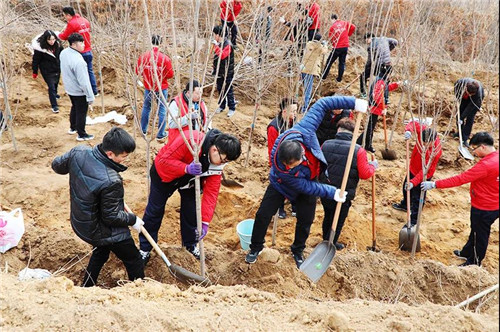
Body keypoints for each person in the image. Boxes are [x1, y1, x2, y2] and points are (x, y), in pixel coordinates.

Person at [245, 96, 366, 268]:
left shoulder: (305, 128)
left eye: (293, 165)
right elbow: (306, 186)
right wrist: (332, 192)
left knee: (306, 219)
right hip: (281, 184)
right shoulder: (282, 170)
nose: (290, 168)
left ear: (301, 154)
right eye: (287, 165)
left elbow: (324, 103)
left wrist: (353, 103)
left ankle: (297, 250)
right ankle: (255, 248)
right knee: (263, 214)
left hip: (310, 177)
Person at [51, 127, 145, 287]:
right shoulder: (111, 180)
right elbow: (112, 216)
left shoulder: (78, 152)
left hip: (83, 221)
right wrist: (132, 219)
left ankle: (87, 286)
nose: (125, 159)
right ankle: (140, 291)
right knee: (133, 258)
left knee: (101, 251)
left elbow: (57, 165)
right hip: (100, 228)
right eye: (123, 156)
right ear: (110, 154)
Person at [138, 129, 241, 263]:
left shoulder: (218, 164)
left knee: (192, 211)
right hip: (165, 175)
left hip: (190, 181)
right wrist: (185, 168)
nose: (223, 163)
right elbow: (163, 161)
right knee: (154, 211)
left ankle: (190, 246)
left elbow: (211, 193)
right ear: (215, 150)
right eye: (223, 160)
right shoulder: (190, 141)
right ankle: (145, 249)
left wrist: (205, 222)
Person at [421, 132, 498, 267]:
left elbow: (460, 179)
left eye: (474, 149)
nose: (473, 153)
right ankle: (467, 251)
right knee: (475, 229)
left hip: (484, 206)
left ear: (483, 147)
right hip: (493, 204)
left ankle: (474, 262)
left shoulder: (485, 165)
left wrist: (435, 184)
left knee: (480, 234)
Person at [320, 118, 378, 250]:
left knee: (328, 214)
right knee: (338, 219)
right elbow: (364, 174)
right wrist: (372, 167)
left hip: (325, 189)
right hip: (344, 192)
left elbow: (319, 167)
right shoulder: (358, 150)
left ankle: (326, 240)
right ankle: (330, 244)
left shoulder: (325, 144)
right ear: (353, 133)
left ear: (338, 130)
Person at [392, 120, 442, 226]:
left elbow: (424, 171)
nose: (424, 146)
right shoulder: (424, 130)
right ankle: (405, 204)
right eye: (422, 143)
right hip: (413, 168)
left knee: (418, 197)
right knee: (405, 188)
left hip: (424, 175)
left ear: (433, 141)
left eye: (426, 144)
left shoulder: (435, 152)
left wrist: (414, 182)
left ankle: (414, 221)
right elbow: (413, 123)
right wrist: (408, 131)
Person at [136, 34, 174, 141]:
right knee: (162, 109)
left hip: (148, 86)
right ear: (160, 43)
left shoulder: (144, 56)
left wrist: (146, 76)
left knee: (146, 107)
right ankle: (160, 133)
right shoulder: (165, 58)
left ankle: (143, 129)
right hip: (161, 87)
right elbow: (170, 74)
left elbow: (138, 71)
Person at [60, 33, 95, 141]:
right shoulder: (79, 61)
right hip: (78, 90)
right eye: (81, 43)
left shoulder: (64, 53)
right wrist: (90, 96)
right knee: (81, 111)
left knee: (74, 107)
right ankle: (81, 134)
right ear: (74, 44)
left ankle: (73, 127)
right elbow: (84, 81)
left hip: (69, 87)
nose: (84, 45)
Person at [267, 98, 298, 219]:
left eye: (296, 111)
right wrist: (274, 165)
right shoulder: (274, 127)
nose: (295, 114)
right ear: (284, 111)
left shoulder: (294, 123)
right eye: (293, 111)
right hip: (280, 160)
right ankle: (279, 207)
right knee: (280, 184)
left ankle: (295, 205)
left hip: (293, 158)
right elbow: (271, 149)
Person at [356, 76, 403, 153]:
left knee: (370, 127)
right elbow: (377, 96)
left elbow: (386, 88)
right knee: (369, 128)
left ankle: (366, 144)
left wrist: (396, 85)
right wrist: (383, 108)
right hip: (374, 108)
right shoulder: (380, 81)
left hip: (375, 107)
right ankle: (360, 143)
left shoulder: (382, 80)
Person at [59, 6, 98, 96]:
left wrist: (59, 35)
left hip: (79, 52)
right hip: (88, 50)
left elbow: (64, 36)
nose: (65, 18)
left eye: (64, 16)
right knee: (89, 70)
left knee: (80, 74)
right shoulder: (85, 20)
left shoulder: (72, 23)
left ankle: (83, 92)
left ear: (68, 15)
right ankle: (94, 90)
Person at [32, 30, 62, 113]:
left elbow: (62, 54)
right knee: (51, 86)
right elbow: (35, 60)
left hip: (57, 67)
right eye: (49, 40)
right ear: (45, 40)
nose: (52, 42)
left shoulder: (58, 45)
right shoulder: (40, 49)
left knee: (56, 83)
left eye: (53, 39)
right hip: (47, 70)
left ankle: (55, 94)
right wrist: (35, 71)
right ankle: (54, 105)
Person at [360, 33, 398, 98]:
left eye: (366, 41)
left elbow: (369, 61)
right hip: (388, 65)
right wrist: (388, 50)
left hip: (380, 66)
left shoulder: (371, 46)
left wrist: (366, 70)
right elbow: (395, 42)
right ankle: (385, 98)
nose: (367, 43)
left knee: (363, 76)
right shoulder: (384, 39)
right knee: (384, 81)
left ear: (369, 38)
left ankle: (363, 93)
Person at [322, 14, 356, 82]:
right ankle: (339, 79)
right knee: (342, 63)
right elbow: (353, 27)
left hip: (337, 47)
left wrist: (333, 44)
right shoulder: (345, 23)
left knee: (329, 61)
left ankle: (323, 76)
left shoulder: (333, 27)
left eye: (330, 20)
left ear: (333, 19)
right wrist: (348, 34)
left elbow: (331, 37)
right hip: (345, 47)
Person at [212, 26, 237, 118]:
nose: (214, 36)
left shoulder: (228, 45)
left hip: (227, 72)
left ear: (218, 35)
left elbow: (222, 56)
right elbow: (216, 58)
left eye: (214, 35)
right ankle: (222, 105)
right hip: (219, 72)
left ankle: (232, 108)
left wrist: (216, 46)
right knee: (220, 89)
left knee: (228, 90)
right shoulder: (219, 43)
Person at [300, 33, 328, 113]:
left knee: (305, 88)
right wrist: (325, 45)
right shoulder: (319, 47)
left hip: (303, 68)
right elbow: (324, 51)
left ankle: (303, 106)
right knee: (308, 91)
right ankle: (304, 109)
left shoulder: (308, 44)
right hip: (311, 70)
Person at [453, 78, 484, 147]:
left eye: (471, 94)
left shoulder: (478, 95)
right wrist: (458, 98)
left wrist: (461, 118)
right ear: (466, 88)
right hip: (463, 98)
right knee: (459, 114)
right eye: (469, 93)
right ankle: (459, 132)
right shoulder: (459, 83)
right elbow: (456, 91)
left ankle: (465, 138)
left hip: (474, 103)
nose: (470, 95)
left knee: (470, 117)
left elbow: (469, 107)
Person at [280, 4, 309, 76]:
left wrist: (284, 22)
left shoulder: (305, 22)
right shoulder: (299, 20)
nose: (298, 15)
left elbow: (295, 26)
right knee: (289, 56)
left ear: (303, 15)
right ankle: (293, 71)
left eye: (299, 14)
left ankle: (300, 74)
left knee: (297, 57)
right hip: (297, 42)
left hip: (301, 43)